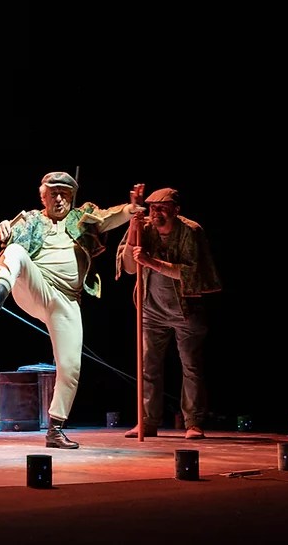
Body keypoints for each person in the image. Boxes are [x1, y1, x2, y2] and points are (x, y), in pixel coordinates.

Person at [0, 172, 143, 449]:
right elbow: (8, 232)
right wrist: (4, 226)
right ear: (44, 197)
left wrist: (131, 208)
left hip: (67, 301)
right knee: (15, 251)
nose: (60, 198)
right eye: (54, 194)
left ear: (72, 197)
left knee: (71, 366)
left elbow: (109, 217)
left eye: (65, 194)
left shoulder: (82, 217)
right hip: (37, 287)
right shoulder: (31, 219)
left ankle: (55, 430)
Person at [115, 187, 222, 440]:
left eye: (162, 208)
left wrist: (151, 262)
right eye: (152, 208)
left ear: (176, 210)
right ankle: (147, 421)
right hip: (151, 309)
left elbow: (190, 273)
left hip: (186, 310)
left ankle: (193, 422)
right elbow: (129, 268)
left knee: (191, 366)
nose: (156, 213)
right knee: (147, 366)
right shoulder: (143, 228)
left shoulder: (190, 231)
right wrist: (133, 229)